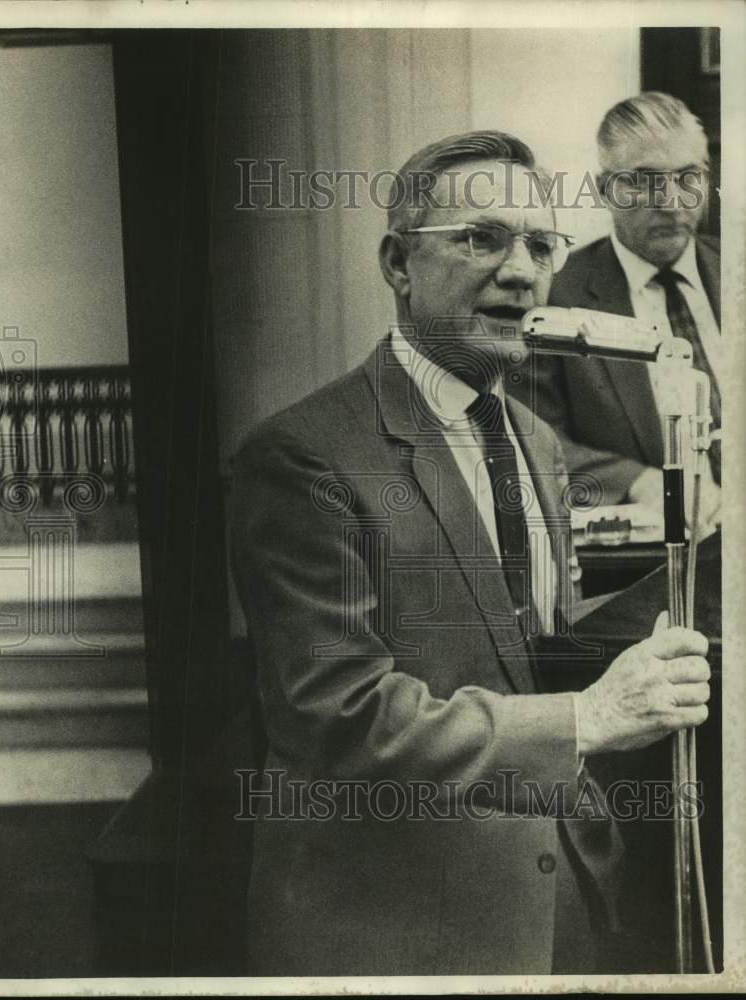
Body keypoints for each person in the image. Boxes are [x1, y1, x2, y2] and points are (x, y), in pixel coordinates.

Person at [230, 131, 711, 976]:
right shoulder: (303, 454)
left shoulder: (530, 436)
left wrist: (696, 592)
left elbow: (520, 652)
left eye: (538, 244)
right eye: (481, 238)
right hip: (399, 928)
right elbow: (336, 714)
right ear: (397, 262)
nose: (520, 272)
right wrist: (586, 719)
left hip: (560, 898)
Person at [512, 92, 721, 527]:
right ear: (606, 190)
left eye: (688, 177)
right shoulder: (555, 297)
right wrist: (644, 483)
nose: (670, 201)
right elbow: (527, 434)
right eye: (643, 181)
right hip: (647, 561)